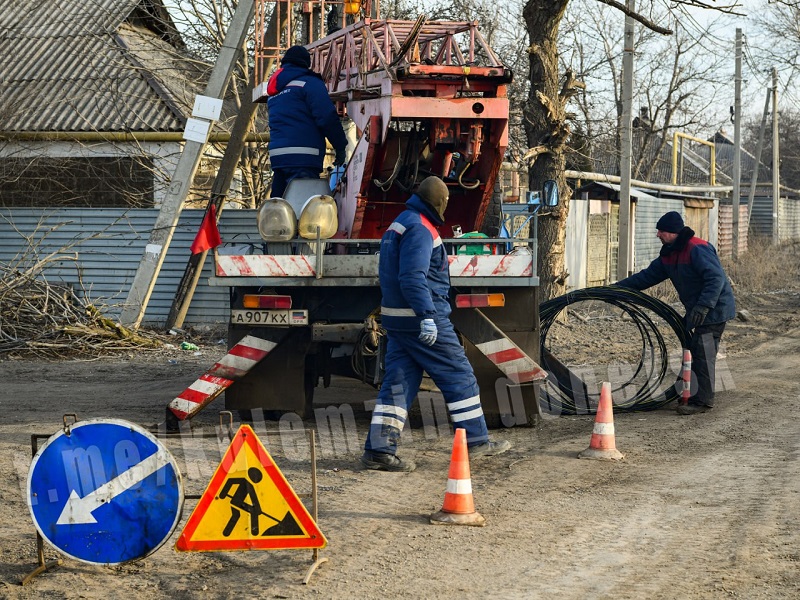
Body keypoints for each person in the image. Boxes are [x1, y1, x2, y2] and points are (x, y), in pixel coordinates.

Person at [360, 176, 512, 472]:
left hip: (399, 321)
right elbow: (413, 277)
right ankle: (477, 441)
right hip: (421, 320)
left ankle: (379, 451)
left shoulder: (401, 222)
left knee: (398, 385)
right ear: (440, 203)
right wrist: (427, 316)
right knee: (459, 375)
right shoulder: (420, 228)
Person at [616, 211, 735, 415]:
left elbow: (716, 279)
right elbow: (646, 277)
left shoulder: (697, 248)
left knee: (702, 351)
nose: (658, 235)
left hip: (714, 308)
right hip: (698, 308)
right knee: (691, 346)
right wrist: (617, 288)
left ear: (673, 232)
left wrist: (704, 306)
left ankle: (702, 401)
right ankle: (685, 391)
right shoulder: (669, 254)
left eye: (661, 231)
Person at [266, 45, 348, 198]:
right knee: (304, 210)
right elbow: (326, 117)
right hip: (303, 156)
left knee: (279, 208)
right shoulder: (309, 83)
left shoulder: (275, 91)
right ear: (305, 63)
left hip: (278, 158)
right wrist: (340, 146)